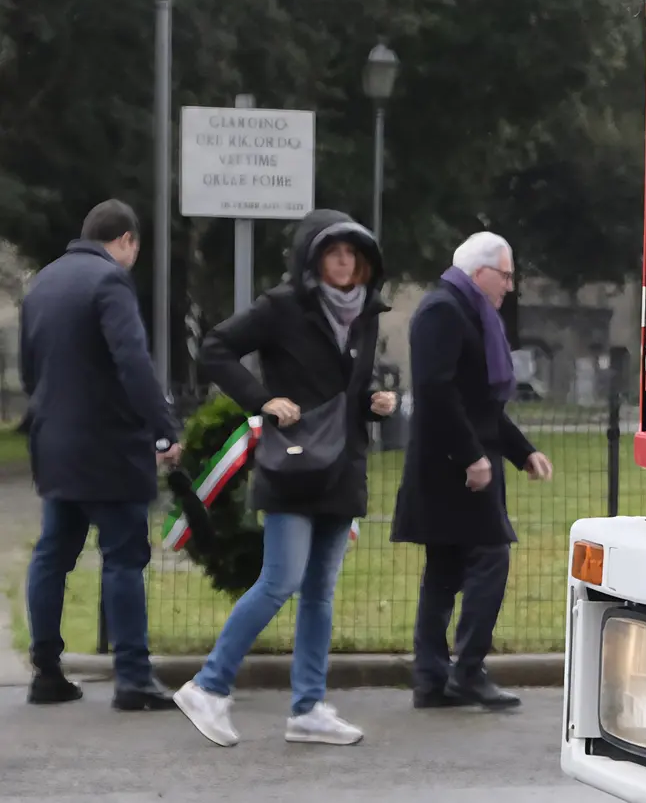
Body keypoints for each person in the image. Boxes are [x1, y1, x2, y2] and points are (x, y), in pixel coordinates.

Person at [174, 209, 396, 748]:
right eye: (334, 252)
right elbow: (216, 348)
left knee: (320, 592)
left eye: (353, 254)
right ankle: (208, 686)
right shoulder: (282, 306)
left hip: (342, 468)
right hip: (293, 465)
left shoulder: (366, 314)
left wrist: (372, 403)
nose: (345, 263)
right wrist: (262, 401)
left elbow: (343, 390)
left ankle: (308, 708)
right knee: (280, 581)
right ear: (312, 259)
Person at [21, 199, 182, 709]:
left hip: (55, 444)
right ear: (127, 240)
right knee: (123, 558)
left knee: (53, 555)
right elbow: (133, 363)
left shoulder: (43, 282)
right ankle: (133, 677)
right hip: (110, 448)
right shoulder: (110, 281)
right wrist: (163, 427)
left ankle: (46, 670)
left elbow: (29, 369)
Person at [391, 231, 553, 711]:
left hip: (460, 463)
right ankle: (466, 670)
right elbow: (438, 392)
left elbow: (480, 404)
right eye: (504, 276)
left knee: (444, 569)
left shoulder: (466, 310)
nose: (509, 286)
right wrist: (471, 456)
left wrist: (521, 451)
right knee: (491, 556)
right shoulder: (444, 311)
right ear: (479, 272)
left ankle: (432, 678)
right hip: (454, 469)